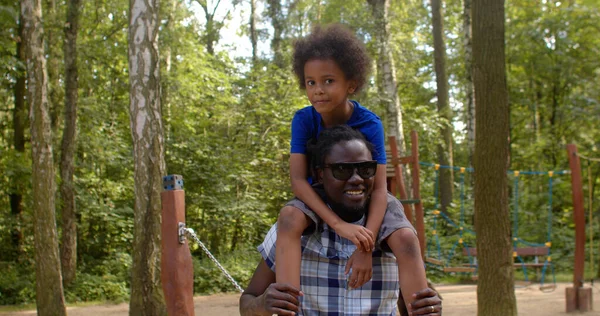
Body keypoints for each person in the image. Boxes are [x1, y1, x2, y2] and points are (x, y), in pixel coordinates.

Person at [241, 126, 441, 315]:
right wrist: (261, 305)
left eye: (366, 169)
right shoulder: (291, 233)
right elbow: (248, 300)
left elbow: (415, 306)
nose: (356, 179)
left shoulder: (396, 236)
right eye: (342, 170)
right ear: (320, 174)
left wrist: (430, 308)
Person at [278, 23, 389, 295]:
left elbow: (380, 188)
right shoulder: (304, 120)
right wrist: (338, 225)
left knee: (407, 238)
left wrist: (366, 245)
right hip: (321, 194)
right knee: (289, 219)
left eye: (328, 81)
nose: (318, 90)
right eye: (310, 82)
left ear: (351, 84)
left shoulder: (370, 124)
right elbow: (298, 180)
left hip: (366, 195)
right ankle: (288, 303)